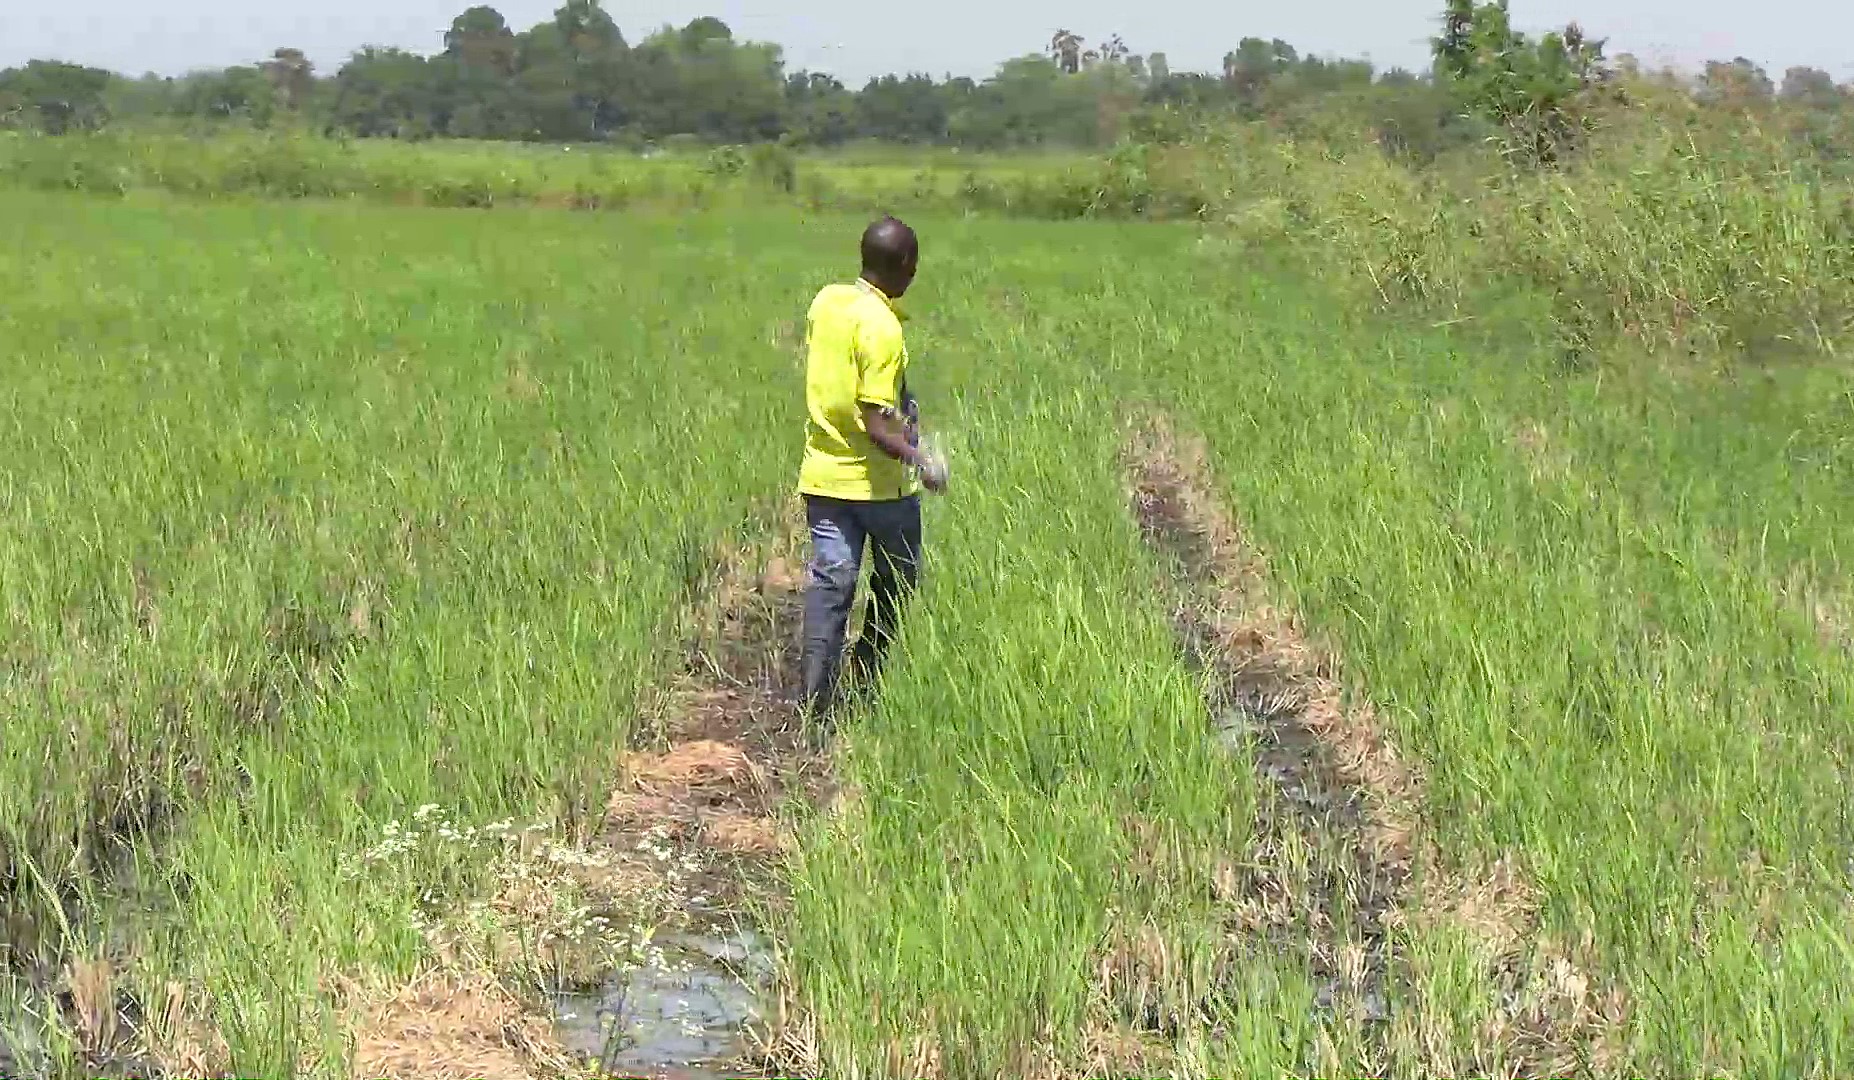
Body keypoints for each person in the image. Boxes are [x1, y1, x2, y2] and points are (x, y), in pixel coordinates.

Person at [796, 216, 947, 727]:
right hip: (879, 490)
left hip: (822, 478)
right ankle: (865, 682)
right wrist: (923, 461)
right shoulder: (883, 328)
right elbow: (876, 422)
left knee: (832, 585)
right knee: (896, 581)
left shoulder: (827, 301)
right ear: (904, 266)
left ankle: (814, 708)